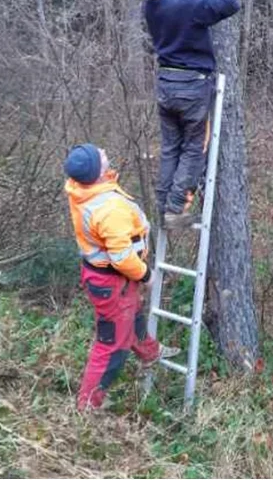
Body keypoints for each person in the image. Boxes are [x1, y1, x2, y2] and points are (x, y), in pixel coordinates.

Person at [122, 0, 239, 228]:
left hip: (166, 85)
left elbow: (173, 6)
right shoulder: (187, 4)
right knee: (193, 149)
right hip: (192, 87)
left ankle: (164, 205)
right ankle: (175, 209)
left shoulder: (151, 7)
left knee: (171, 148)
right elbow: (230, 3)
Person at [65, 143, 177, 410]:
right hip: (113, 280)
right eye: (99, 154)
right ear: (96, 170)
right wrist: (146, 275)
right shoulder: (108, 208)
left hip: (108, 280)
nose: (104, 150)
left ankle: (150, 352)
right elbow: (122, 257)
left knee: (132, 316)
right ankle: (88, 404)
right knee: (112, 345)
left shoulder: (84, 188)